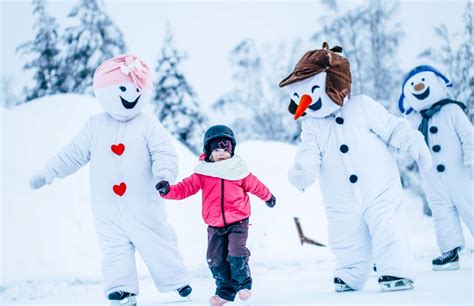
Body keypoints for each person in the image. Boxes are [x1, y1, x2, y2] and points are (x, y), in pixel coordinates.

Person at [29, 54, 192, 306]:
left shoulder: (147, 123)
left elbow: (164, 152)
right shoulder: (95, 125)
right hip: (107, 208)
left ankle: (177, 280)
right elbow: (72, 154)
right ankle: (121, 289)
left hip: (144, 205)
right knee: (114, 249)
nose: (130, 94)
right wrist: (48, 172)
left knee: (157, 241)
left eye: (137, 88)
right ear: (103, 90)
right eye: (123, 88)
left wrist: (164, 175)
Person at [279, 43, 432, 292]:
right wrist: (302, 172)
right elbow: (308, 152)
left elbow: (393, 127)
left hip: (379, 189)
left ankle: (394, 269)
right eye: (297, 97)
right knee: (345, 235)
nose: (304, 102)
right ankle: (351, 271)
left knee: (387, 227)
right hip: (341, 199)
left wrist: (414, 143)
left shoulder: (363, 106)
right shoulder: (311, 126)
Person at [156, 125, 276, 306]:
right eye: (217, 149)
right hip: (214, 225)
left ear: (232, 150)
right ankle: (224, 292)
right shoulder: (203, 173)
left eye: (225, 149)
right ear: (208, 151)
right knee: (214, 259)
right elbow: (184, 188)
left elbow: (256, 185)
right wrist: (167, 191)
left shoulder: (238, 170)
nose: (222, 153)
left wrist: (268, 197)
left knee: (235, 253)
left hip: (238, 221)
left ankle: (243, 285)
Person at [398, 65, 473, 271]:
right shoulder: (414, 120)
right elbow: (408, 145)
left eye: (423, 81)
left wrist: (471, 160)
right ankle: (450, 251)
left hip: (461, 175)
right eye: (412, 85)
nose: (419, 86)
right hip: (432, 180)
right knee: (442, 214)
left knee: (471, 207)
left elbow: (469, 136)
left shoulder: (452, 110)